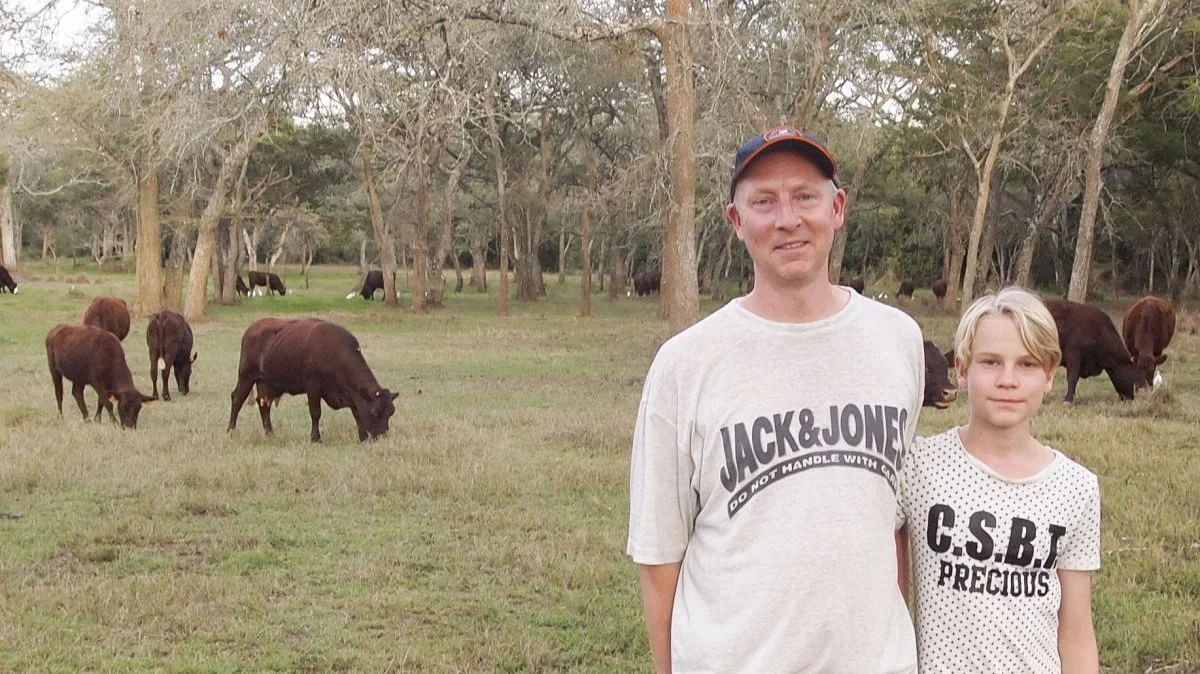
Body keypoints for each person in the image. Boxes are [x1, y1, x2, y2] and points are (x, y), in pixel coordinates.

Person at [626, 126, 923, 673]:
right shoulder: (685, 364)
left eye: (804, 196)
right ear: (737, 222)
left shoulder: (898, 340)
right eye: (763, 201)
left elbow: (892, 519)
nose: (787, 218)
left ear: (837, 208)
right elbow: (659, 558)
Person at [899, 287, 1101, 673]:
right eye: (990, 362)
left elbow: (1076, 633)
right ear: (960, 369)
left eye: (1027, 365)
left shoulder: (1077, 487)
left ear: (1049, 376)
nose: (1007, 379)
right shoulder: (917, 465)